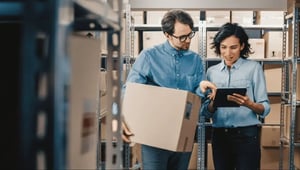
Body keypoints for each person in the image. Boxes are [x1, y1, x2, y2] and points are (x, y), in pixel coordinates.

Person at [122, 9, 216, 170]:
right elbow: (130, 91)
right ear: (167, 34)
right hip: (154, 136)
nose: (187, 41)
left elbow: (195, 98)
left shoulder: (195, 61)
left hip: (183, 134)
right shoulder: (149, 57)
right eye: (182, 37)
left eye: (190, 34)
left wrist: (201, 89)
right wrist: (121, 116)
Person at [201, 22, 271, 170]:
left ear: (242, 46)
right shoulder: (211, 72)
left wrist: (249, 104)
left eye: (233, 47)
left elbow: (265, 108)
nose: (228, 53)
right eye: (223, 47)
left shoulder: (254, 69)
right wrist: (213, 104)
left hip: (246, 135)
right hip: (220, 136)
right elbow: (205, 112)